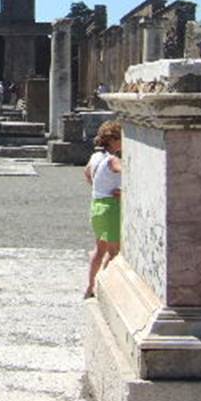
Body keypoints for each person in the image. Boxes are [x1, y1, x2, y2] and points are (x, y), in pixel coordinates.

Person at [83, 121, 122, 299]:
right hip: (111, 208)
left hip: (97, 205)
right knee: (115, 252)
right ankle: (104, 288)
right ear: (114, 140)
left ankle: (91, 285)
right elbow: (129, 172)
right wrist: (123, 191)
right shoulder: (113, 160)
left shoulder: (95, 157)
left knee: (99, 250)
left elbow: (87, 174)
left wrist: (100, 187)